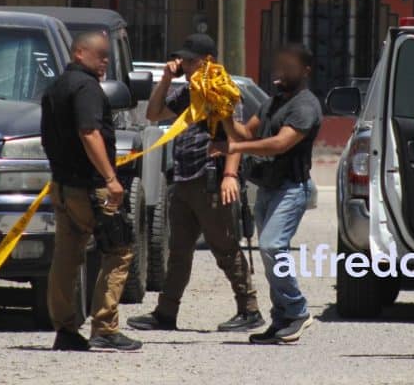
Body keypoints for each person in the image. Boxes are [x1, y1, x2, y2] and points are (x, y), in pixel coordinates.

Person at [127, 33, 264, 332]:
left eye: (190, 60)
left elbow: (233, 138)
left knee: (225, 248)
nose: (184, 64)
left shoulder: (221, 91)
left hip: (211, 179)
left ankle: (249, 309)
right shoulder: (190, 93)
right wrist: (165, 79)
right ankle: (166, 313)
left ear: (206, 61)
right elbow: (152, 114)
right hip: (184, 179)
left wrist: (230, 175)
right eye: (183, 60)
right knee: (178, 252)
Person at [212, 44, 323, 345]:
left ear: (305, 71)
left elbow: (279, 144)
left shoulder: (305, 105)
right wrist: (224, 114)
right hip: (268, 187)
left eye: (288, 68)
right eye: (278, 67)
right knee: (269, 253)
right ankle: (281, 319)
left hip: (291, 188)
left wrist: (234, 149)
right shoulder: (273, 102)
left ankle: (298, 311)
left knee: (273, 247)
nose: (280, 73)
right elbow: (246, 132)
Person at [40, 31, 142, 351]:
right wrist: (110, 178)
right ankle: (105, 327)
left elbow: (47, 137)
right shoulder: (86, 88)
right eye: (100, 56)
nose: (105, 62)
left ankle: (65, 330)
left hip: (62, 186)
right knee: (119, 249)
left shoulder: (55, 87)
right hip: (91, 188)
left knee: (66, 257)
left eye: (107, 57)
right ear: (79, 53)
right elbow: (89, 132)